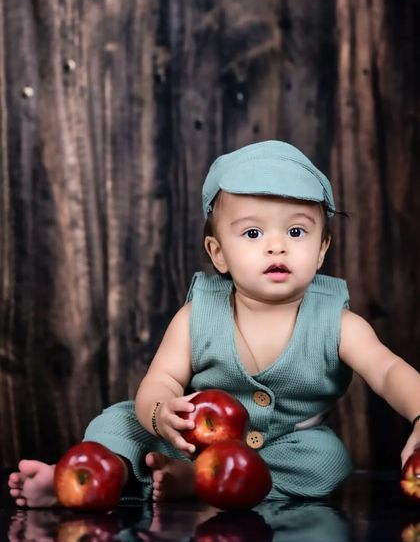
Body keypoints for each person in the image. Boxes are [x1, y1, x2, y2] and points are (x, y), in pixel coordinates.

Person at [9, 140, 420, 508]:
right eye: (253, 233)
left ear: (321, 250)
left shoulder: (338, 323)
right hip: (190, 442)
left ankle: (195, 485)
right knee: (117, 421)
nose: (277, 245)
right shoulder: (197, 315)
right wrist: (161, 415)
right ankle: (89, 476)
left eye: (296, 231)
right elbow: (161, 381)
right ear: (218, 252)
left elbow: (387, 371)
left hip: (280, 448)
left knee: (328, 460)